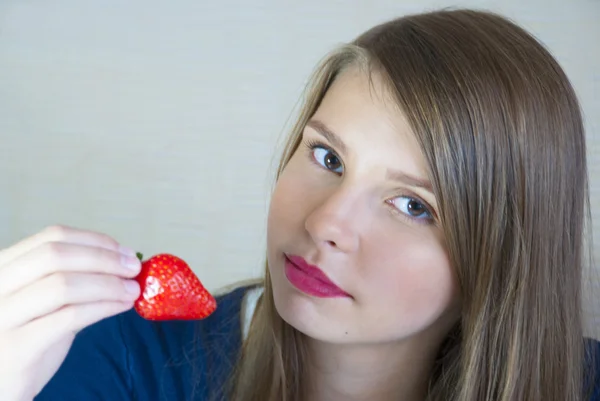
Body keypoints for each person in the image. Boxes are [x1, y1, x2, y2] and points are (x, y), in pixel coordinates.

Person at [1, 7, 597, 401]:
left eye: (413, 205)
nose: (325, 222)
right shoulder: (121, 358)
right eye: (328, 159)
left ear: (506, 258)